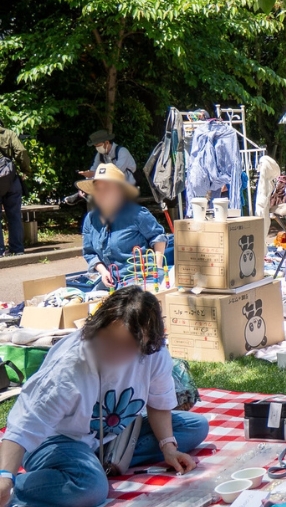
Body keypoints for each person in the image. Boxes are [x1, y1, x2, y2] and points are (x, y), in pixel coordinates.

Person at [0, 287, 208, 507]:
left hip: (108, 436)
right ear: (98, 327)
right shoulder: (69, 367)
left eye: (128, 345)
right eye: (110, 340)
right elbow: (24, 426)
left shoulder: (154, 355)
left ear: (148, 343)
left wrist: (169, 448)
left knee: (195, 427)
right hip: (56, 440)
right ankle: (21, 488)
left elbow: (158, 402)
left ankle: (95, 464)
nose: (115, 351)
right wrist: (5, 477)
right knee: (90, 488)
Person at [79, 164, 166, 288]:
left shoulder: (137, 213)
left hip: (140, 279)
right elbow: (90, 252)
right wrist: (103, 272)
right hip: (110, 282)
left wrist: (158, 268)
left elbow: (158, 237)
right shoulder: (91, 218)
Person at [0, 119, 31, 256]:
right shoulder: (9, 134)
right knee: (14, 215)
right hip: (10, 179)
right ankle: (17, 249)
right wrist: (26, 170)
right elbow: (21, 151)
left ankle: (0, 251)